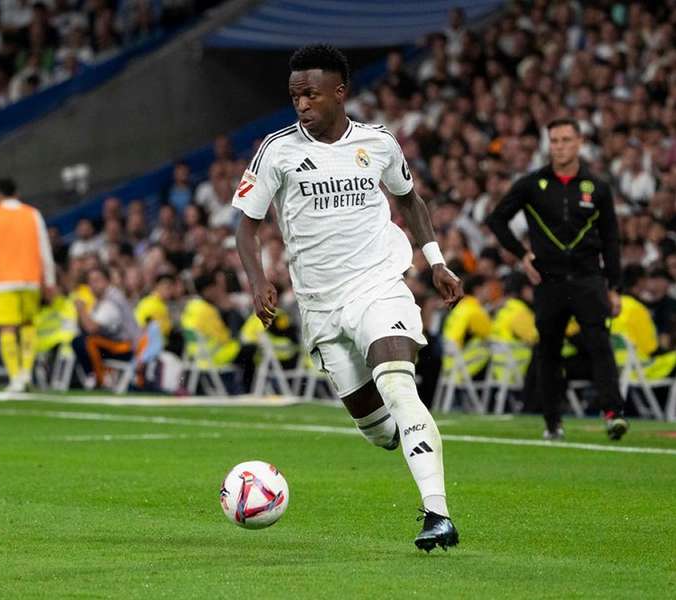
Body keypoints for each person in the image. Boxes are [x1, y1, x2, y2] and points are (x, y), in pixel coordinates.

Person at [233, 44, 463, 551]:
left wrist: (436, 260)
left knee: (400, 386)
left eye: (311, 94)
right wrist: (258, 280)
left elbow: (408, 199)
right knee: (380, 431)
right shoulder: (277, 150)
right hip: (320, 306)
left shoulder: (379, 143)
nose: (302, 105)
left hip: (379, 285)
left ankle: (438, 515)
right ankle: (412, 437)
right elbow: (245, 225)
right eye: (295, 96)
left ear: (340, 92)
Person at [487, 117, 628, 441]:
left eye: (566, 139)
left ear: (580, 142)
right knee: (548, 351)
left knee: (599, 345)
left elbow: (611, 239)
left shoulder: (598, 187)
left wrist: (615, 286)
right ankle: (552, 422)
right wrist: (522, 256)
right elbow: (496, 220)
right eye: (555, 141)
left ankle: (613, 414)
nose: (560, 146)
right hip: (549, 281)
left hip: (588, 278)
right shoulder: (532, 184)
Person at [0, 178, 56, 392]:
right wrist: (50, 281)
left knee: (7, 328)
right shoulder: (33, 215)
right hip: (30, 280)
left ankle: (15, 376)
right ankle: (27, 372)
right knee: (28, 326)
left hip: (3, 281)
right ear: (17, 193)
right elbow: (45, 249)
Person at [73, 266, 140, 388]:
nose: (93, 285)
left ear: (107, 281)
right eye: (90, 281)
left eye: (97, 280)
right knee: (81, 339)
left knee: (84, 341)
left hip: (126, 347)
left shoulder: (111, 301)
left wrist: (81, 309)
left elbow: (91, 328)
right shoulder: (100, 299)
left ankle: (99, 378)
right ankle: (96, 376)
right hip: (117, 344)